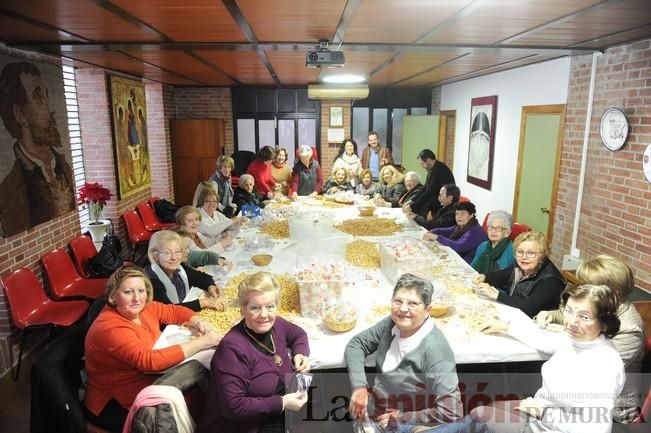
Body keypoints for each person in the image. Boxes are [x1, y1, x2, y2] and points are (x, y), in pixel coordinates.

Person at [425, 284, 624, 433]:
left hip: (551, 427)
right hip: (539, 410)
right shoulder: (573, 338)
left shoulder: (605, 364)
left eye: (585, 316)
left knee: (480, 418)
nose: (572, 321)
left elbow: (597, 427)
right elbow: (545, 340)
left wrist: (545, 413)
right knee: (476, 415)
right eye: (569, 311)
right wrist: (507, 327)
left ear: (605, 322)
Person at [84, 266, 221, 432]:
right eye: (128, 292)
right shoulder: (110, 328)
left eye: (141, 290)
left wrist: (197, 320)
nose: (137, 298)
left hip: (149, 380)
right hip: (118, 400)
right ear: (113, 296)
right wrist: (203, 342)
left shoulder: (144, 308)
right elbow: (149, 361)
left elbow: (174, 311)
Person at [345, 273, 463, 431]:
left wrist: (401, 417)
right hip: (376, 406)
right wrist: (359, 387)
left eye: (413, 303)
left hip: (400, 424)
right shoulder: (393, 322)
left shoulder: (435, 352)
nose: (403, 309)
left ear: (427, 310)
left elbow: (452, 412)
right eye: (398, 301)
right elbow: (357, 344)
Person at [535, 255, 644, 423]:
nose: (582, 289)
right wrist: (548, 314)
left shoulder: (630, 329)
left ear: (612, 290)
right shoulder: (598, 305)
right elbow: (568, 315)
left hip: (608, 414)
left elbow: (585, 369)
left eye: (588, 285)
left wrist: (563, 332)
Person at [197, 272, 310, 433]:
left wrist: (301, 354)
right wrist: (283, 403)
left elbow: (299, 334)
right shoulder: (231, 349)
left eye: (270, 306)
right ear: (243, 309)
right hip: (247, 425)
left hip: (279, 408)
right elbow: (234, 408)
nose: (264, 315)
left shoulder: (276, 324)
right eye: (255, 308)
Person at [0, 61, 76, 237]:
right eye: (38, 97)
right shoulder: (11, 190)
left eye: (47, 95)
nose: (51, 109)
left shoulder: (64, 167)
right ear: (20, 115)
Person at [473, 231, 565, 318]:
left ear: (542, 257)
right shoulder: (520, 265)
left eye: (531, 253)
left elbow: (531, 307)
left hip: (535, 324)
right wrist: (485, 277)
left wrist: (497, 295)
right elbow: (503, 275)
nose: (524, 257)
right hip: (514, 314)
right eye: (520, 252)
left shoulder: (551, 280)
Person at [144, 230, 227, 312]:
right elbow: (168, 311)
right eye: (167, 253)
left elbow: (201, 277)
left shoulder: (179, 268)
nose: (174, 258)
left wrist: (211, 286)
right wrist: (203, 303)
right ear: (155, 256)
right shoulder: (150, 281)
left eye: (178, 252)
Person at [423, 201, 487, 263]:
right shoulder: (462, 226)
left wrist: (437, 237)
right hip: (458, 259)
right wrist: (432, 232)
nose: (459, 216)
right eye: (457, 214)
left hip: (468, 266)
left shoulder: (475, 231)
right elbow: (446, 231)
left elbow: (459, 247)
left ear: (471, 215)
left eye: (463, 213)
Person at [403, 149, 455, 218]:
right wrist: (411, 201)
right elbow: (425, 188)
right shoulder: (433, 168)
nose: (422, 166)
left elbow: (429, 192)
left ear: (428, 160)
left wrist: (412, 206)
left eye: (422, 164)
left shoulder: (439, 170)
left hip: (443, 204)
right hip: (436, 199)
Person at [471, 210, 515, 275]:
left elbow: (509, 277)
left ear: (507, 233)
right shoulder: (483, 246)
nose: (493, 231)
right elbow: (472, 268)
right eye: (491, 227)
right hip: (478, 280)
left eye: (498, 228)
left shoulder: (512, 249)